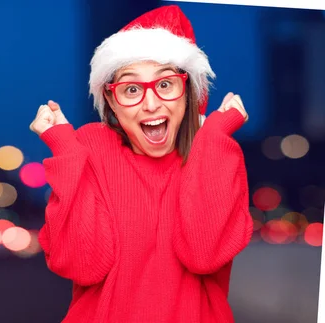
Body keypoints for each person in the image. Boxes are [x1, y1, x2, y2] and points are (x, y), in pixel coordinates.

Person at [29, 5, 254, 323]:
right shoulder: (92, 147)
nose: (150, 104)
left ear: (187, 91)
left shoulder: (213, 154)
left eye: (165, 84)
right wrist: (64, 148)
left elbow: (203, 256)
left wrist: (215, 134)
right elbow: (83, 264)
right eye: (131, 89)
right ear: (110, 100)